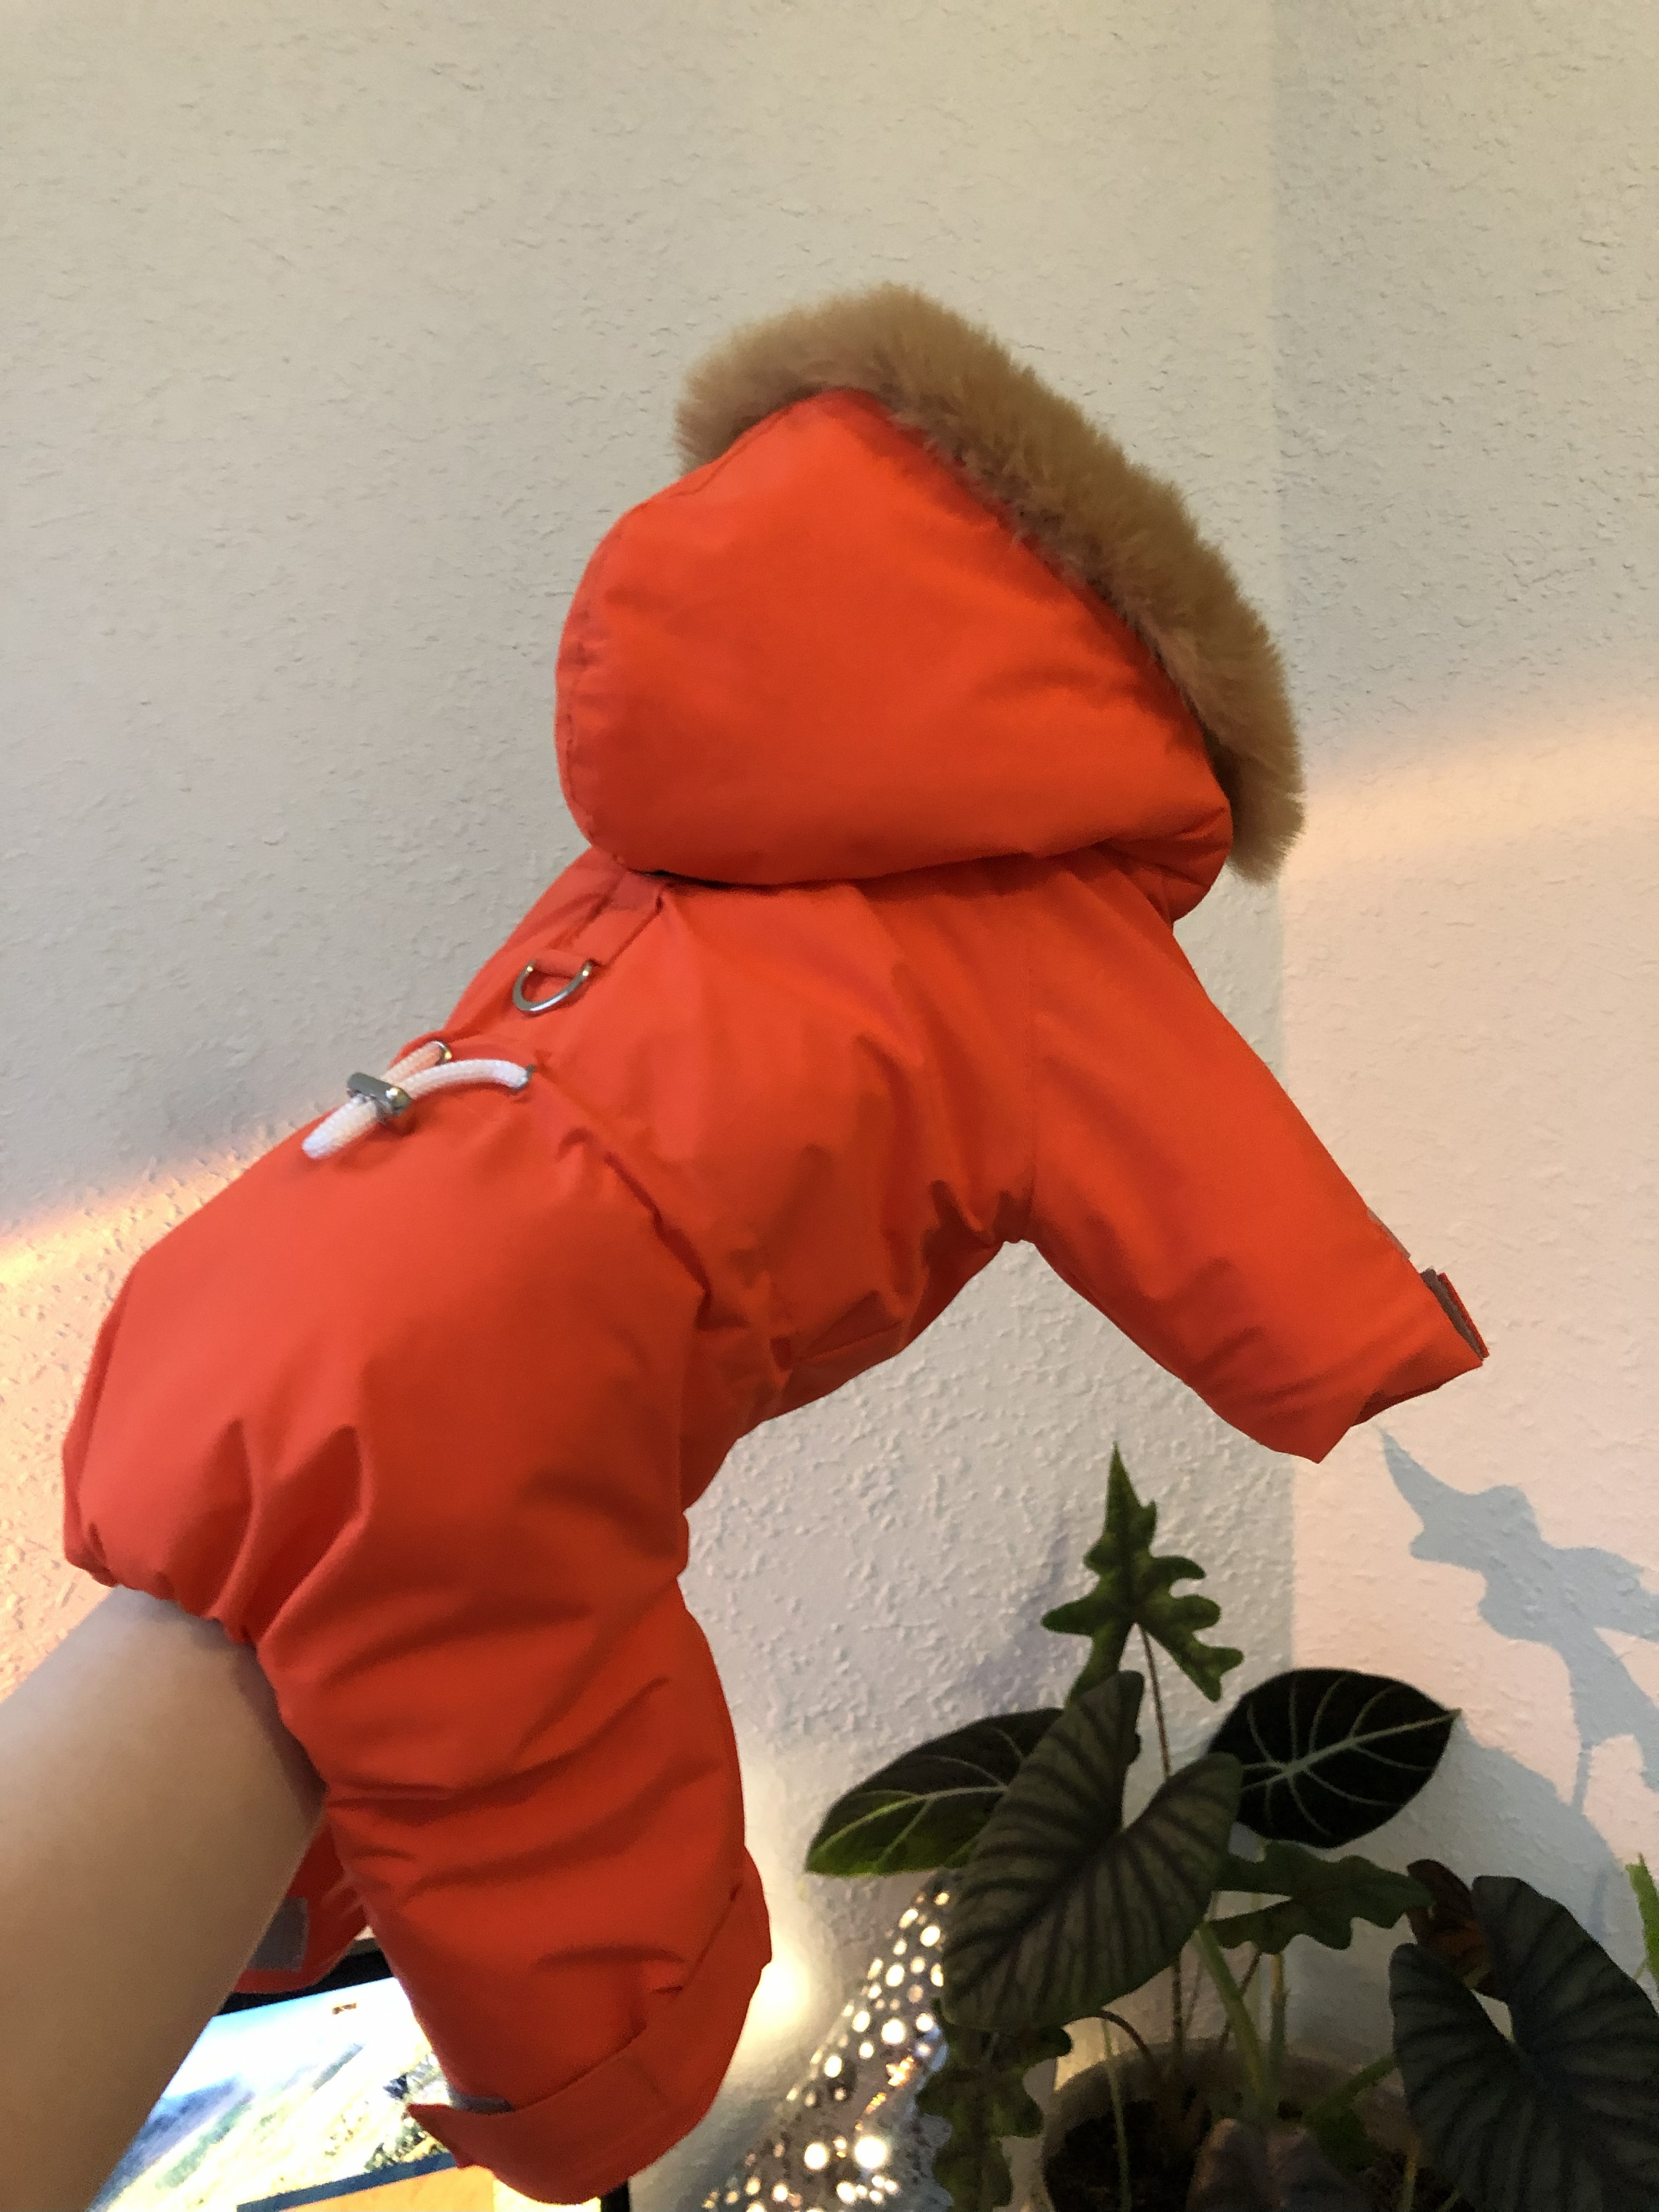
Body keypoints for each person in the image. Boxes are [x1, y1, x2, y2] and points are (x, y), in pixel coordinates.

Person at [4, 285, 1487, 2211]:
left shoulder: (652, 853)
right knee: (565, 1802)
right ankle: (601, 2089)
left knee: (264, 1614)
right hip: (489, 1370)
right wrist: (1375, 1343)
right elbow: (1238, 1211)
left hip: (254, 1260)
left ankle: (309, 1912)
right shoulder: (1048, 929)